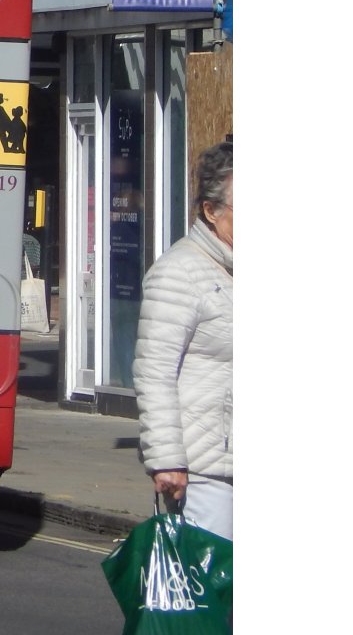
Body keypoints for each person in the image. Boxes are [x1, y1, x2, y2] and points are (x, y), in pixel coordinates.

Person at [133, 140, 233, 540]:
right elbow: (154, 373)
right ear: (211, 211)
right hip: (205, 469)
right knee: (213, 590)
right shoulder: (179, 273)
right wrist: (167, 460)